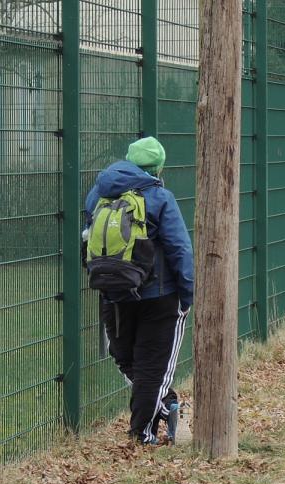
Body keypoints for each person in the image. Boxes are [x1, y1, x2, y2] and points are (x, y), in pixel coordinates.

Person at [84, 137, 194, 445]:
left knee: (128, 361)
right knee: (152, 369)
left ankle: (165, 407)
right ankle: (142, 435)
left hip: (114, 292)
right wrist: (186, 294)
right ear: (158, 168)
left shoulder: (98, 194)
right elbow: (179, 248)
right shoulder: (160, 197)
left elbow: (90, 240)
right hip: (159, 296)